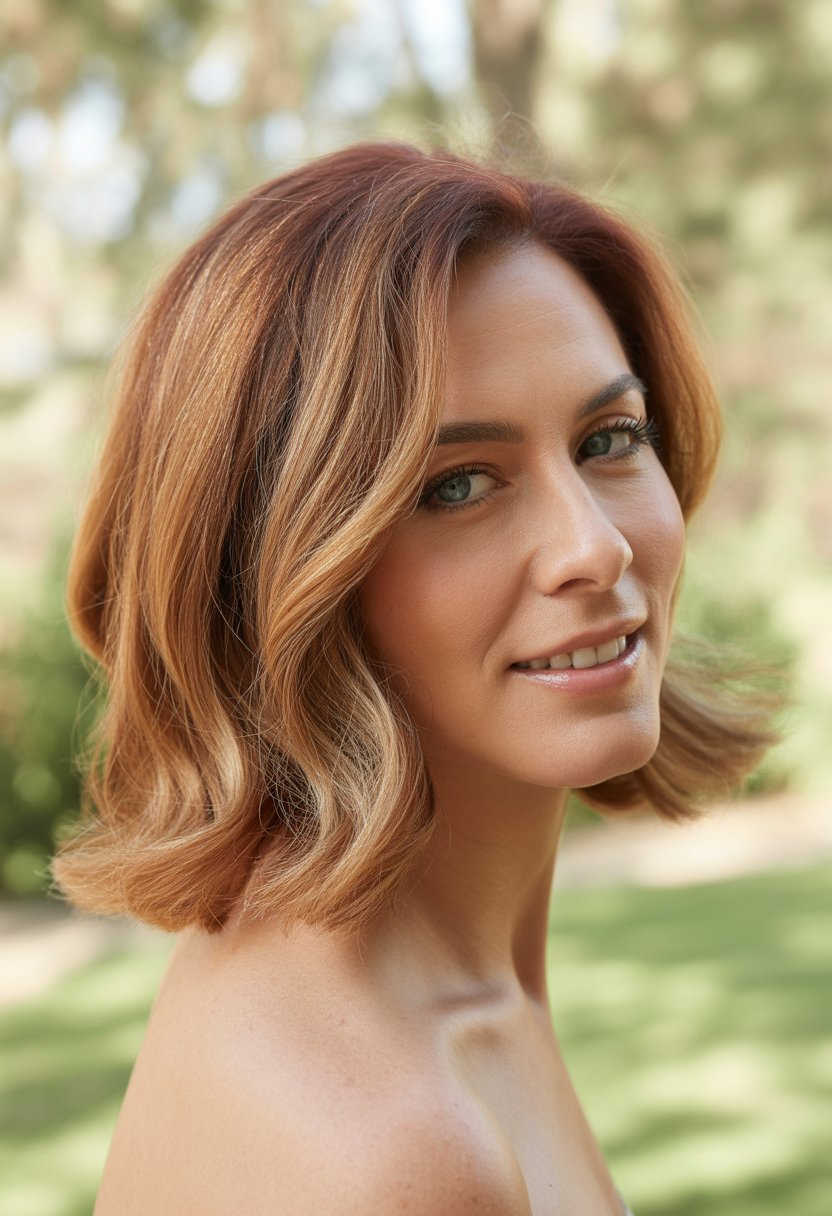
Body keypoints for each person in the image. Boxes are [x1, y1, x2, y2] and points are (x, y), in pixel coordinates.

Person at [53, 142, 777, 1215]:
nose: (594, 547)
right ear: (278, 572)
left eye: (609, 437)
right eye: (457, 485)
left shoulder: (439, 989)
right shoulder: (397, 1150)